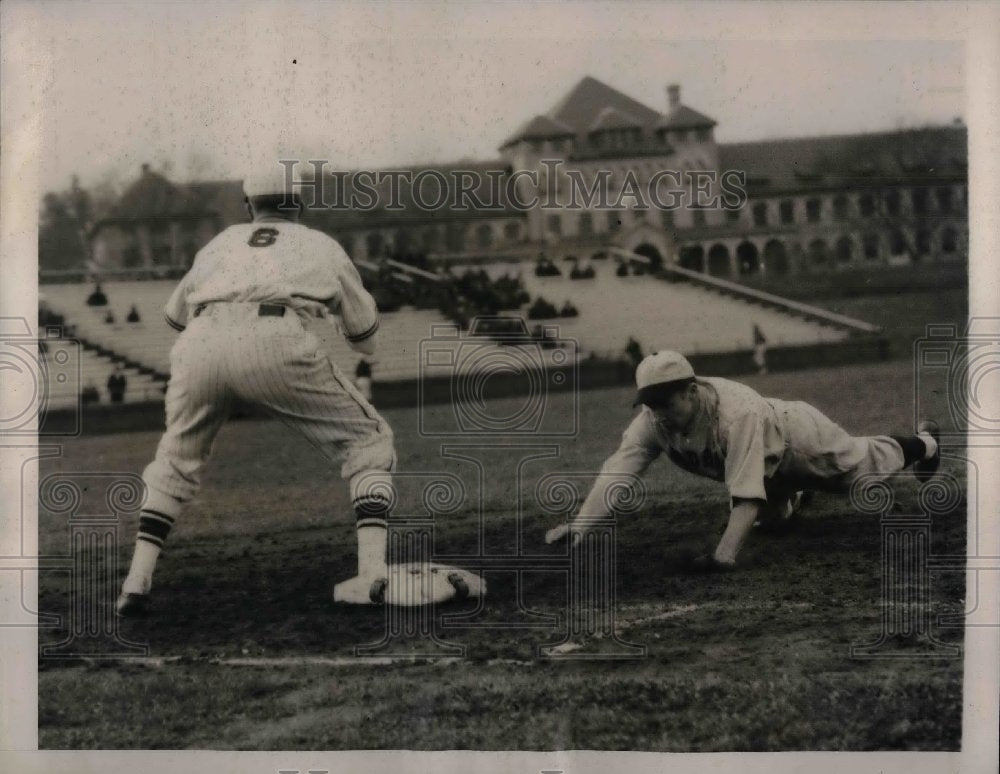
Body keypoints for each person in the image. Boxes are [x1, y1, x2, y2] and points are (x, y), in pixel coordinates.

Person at [116, 167, 398, 616]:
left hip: (200, 340)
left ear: (250, 207)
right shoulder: (321, 244)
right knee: (369, 442)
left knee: (174, 460)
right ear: (299, 205)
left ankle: (136, 581)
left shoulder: (220, 242)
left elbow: (173, 320)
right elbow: (364, 336)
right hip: (274, 335)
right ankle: (372, 575)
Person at [545, 351, 941, 570]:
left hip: (795, 438)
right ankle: (792, 498)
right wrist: (582, 525)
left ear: (692, 390)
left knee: (859, 472)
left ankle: (926, 444)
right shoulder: (653, 422)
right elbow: (618, 471)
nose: (658, 413)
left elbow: (745, 497)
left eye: (665, 402)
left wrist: (723, 556)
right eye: (649, 404)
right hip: (759, 462)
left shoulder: (738, 415)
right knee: (774, 522)